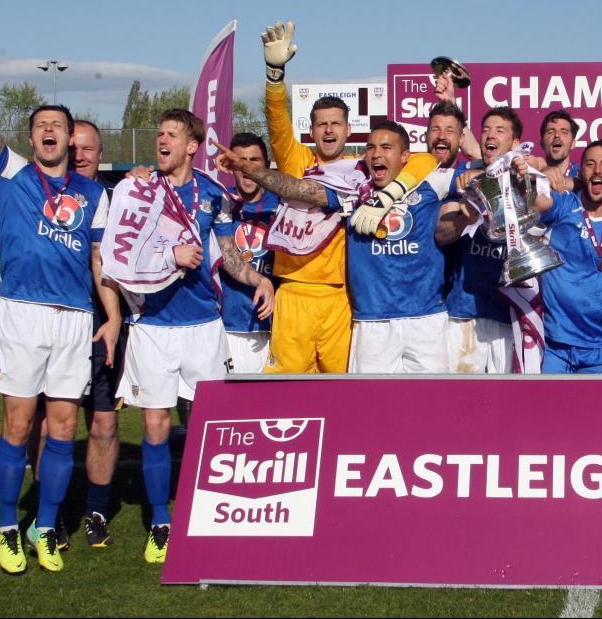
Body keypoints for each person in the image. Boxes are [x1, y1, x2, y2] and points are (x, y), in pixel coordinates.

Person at [0, 25, 120, 574]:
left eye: (58, 126)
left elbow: (100, 263)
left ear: (71, 139)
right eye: (41, 125)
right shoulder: (13, 174)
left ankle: (45, 528)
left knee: (64, 428)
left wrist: (112, 315)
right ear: (32, 139)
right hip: (22, 313)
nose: (49, 131)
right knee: (19, 425)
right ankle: (7, 527)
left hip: (74, 319)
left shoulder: (94, 194)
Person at [114, 109, 274, 564]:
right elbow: (124, 250)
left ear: (191, 145)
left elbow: (227, 255)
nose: (161, 140)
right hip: (154, 325)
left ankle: (210, 512)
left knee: (212, 426)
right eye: (159, 134)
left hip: (204, 324)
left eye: (171, 134)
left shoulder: (214, 193)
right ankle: (161, 523)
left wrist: (259, 280)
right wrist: (169, 253)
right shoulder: (139, 188)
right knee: (155, 426)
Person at [261, 21, 434, 373]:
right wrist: (274, 76)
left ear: (348, 129)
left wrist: (396, 191)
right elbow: (277, 121)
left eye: (335, 124)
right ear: (311, 131)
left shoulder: (363, 169)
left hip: (341, 296)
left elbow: (425, 159)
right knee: (286, 395)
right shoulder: (299, 162)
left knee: (339, 392)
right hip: (294, 291)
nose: (328, 130)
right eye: (321, 124)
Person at [218, 122, 452, 373]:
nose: (377, 154)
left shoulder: (425, 183)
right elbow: (297, 188)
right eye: (371, 148)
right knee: (364, 403)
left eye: (386, 147)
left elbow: (430, 160)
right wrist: (245, 167)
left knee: (428, 401)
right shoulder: (353, 187)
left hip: (418, 314)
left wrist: (391, 193)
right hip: (368, 316)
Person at [31, 120, 127, 549]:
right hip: (51, 326)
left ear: (100, 152)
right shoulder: (40, 193)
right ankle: (49, 516)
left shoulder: (119, 198)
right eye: (76, 147)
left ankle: (97, 510)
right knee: (51, 425)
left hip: (104, 327)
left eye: (90, 148)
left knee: (103, 422)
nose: (82, 155)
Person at [523, 142, 602, 375]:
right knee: (544, 411)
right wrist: (537, 174)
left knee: (593, 413)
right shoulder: (565, 205)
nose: (597, 170)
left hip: (598, 349)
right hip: (552, 345)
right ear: (580, 173)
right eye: (590, 164)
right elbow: (538, 203)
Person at [434, 108, 524, 373]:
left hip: (506, 314)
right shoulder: (463, 178)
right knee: (459, 402)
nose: (489, 136)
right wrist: (465, 211)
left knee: (504, 406)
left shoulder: (526, 180)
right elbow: (441, 234)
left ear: (515, 143)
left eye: (499, 130)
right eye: (485, 130)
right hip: (464, 312)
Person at [221, 132, 280, 374]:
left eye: (254, 160)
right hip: (228, 323)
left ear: (265, 165)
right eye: (240, 160)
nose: (247, 167)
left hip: (274, 324)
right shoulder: (218, 200)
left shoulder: (283, 203)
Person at [540, 109, 579, 178]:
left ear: (573, 143)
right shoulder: (531, 177)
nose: (557, 135)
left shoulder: (583, 178)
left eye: (564, 132)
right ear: (542, 143)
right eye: (550, 132)